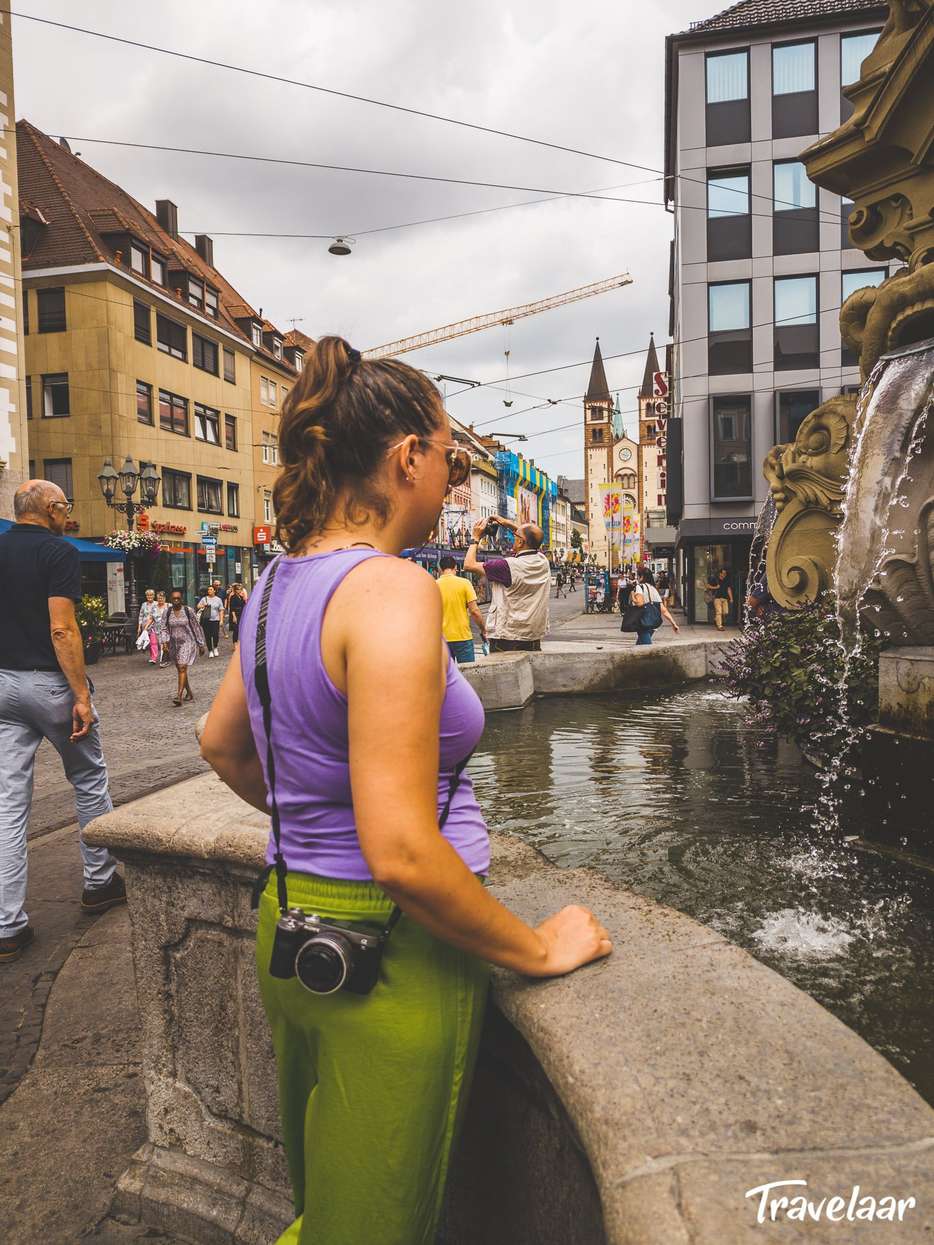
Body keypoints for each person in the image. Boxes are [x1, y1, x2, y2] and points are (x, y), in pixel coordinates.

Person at [200, 337, 611, 1245]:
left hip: (292, 918)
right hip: (392, 952)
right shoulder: (391, 590)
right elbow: (401, 851)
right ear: (407, 458)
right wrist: (537, 948)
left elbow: (221, 742)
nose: (454, 480)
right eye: (450, 458)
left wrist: (316, 813)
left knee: (327, 1206)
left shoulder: (274, 586)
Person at [0, 480, 125, 963]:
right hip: (49, 683)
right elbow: (61, 626)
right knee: (89, 778)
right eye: (66, 508)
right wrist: (80, 695)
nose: (67, 515)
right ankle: (99, 882)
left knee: (9, 802)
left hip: (4, 685)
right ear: (51, 509)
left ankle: (8, 924)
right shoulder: (58, 552)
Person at [463, 514, 551, 652]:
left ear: (521, 542)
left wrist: (475, 538)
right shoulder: (542, 561)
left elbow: (468, 565)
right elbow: (532, 541)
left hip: (507, 639)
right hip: (532, 638)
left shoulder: (507, 566)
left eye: (516, 535)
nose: (514, 536)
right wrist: (506, 523)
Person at [437, 556, 486, 663]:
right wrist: (483, 629)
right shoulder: (465, 583)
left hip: (441, 639)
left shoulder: (434, 585)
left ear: (440, 568)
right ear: (455, 567)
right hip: (463, 637)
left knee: (446, 677)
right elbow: (474, 611)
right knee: (467, 673)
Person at [166, 591, 206, 705]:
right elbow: (163, 627)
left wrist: (201, 643)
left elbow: (196, 627)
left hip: (187, 641)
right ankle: (189, 692)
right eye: (174, 598)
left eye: (178, 598)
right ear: (171, 599)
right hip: (174, 643)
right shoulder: (168, 612)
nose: (176, 600)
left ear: (181, 599)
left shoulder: (188, 611)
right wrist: (164, 642)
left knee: (182, 667)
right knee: (180, 669)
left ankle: (179, 696)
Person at [631, 566, 680, 647]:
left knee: (646, 649)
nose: (637, 578)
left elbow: (639, 603)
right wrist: (673, 623)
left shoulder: (639, 587)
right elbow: (663, 609)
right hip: (653, 623)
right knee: (639, 647)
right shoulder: (653, 589)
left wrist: (632, 596)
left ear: (642, 577)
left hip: (643, 623)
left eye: (638, 576)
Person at [197, 584, 224, 657]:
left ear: (214, 591)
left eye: (211, 589)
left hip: (215, 619)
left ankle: (215, 647)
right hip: (206, 620)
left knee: (215, 635)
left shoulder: (218, 599)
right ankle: (210, 650)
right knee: (207, 635)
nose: (209, 591)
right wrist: (203, 605)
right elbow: (198, 606)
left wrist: (221, 620)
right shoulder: (204, 599)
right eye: (208, 590)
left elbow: (221, 610)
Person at [137, 588, 161, 664]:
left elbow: (157, 615)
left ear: (153, 596)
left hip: (153, 626)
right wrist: (139, 627)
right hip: (145, 627)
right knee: (149, 642)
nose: (149, 596)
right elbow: (140, 616)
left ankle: (154, 658)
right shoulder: (143, 604)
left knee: (153, 642)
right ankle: (152, 656)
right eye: (148, 595)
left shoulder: (157, 604)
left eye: (151, 595)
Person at [707, 567, 734, 631]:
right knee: (719, 612)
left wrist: (731, 598)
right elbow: (708, 586)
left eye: (725, 573)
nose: (724, 575)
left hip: (725, 598)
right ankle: (720, 626)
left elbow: (729, 589)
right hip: (717, 598)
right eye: (723, 573)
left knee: (725, 612)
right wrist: (715, 587)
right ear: (720, 573)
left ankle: (716, 619)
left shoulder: (727, 580)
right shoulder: (715, 579)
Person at [226, 583, 248, 647]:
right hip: (235, 613)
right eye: (238, 589)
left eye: (240, 589)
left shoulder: (241, 597)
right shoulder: (233, 597)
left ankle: (239, 641)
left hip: (241, 614)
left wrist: (244, 598)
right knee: (236, 629)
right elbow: (232, 607)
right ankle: (235, 642)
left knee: (241, 628)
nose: (239, 590)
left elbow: (244, 605)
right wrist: (234, 616)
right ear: (235, 590)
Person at [153, 590, 170, 667]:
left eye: (162, 598)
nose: (160, 600)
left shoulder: (169, 606)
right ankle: (166, 658)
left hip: (168, 628)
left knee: (165, 643)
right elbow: (151, 618)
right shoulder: (154, 607)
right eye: (159, 598)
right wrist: (145, 628)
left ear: (165, 598)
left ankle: (163, 659)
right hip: (158, 629)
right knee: (161, 644)